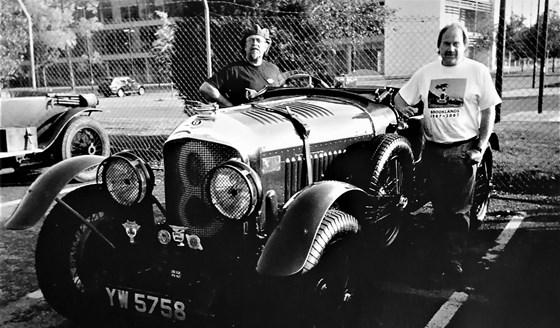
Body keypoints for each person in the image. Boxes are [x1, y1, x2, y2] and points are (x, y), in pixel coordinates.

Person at [393, 23, 501, 286]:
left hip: (463, 150)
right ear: (438, 46)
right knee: (440, 209)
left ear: (464, 47)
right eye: (446, 43)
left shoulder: (477, 71)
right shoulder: (427, 72)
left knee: (457, 212)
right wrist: (404, 109)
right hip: (432, 150)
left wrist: (480, 147)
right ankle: (443, 257)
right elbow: (400, 98)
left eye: (456, 44)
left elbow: (488, 111)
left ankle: (453, 264)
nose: (450, 48)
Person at [199, 24, 284, 107]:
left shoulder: (274, 69)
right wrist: (229, 106)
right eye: (251, 40)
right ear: (245, 47)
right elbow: (206, 88)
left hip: (274, 117)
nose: (255, 44)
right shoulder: (234, 70)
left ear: (265, 46)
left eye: (259, 40)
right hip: (248, 118)